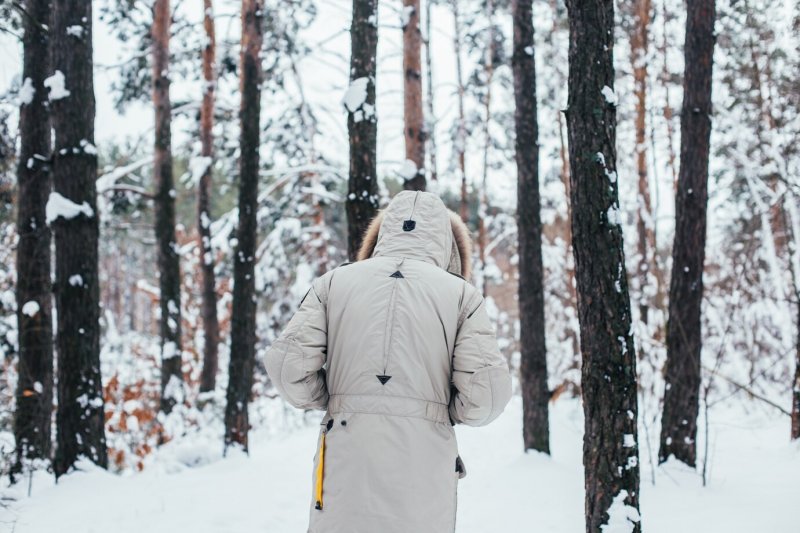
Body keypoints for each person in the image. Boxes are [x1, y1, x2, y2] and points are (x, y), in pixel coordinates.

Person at [265, 190, 512, 533]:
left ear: (382, 233)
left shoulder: (334, 283)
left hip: (345, 459)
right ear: (446, 242)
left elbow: (286, 365)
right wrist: (441, 410)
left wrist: (335, 398)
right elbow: (486, 396)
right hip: (422, 465)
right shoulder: (461, 296)